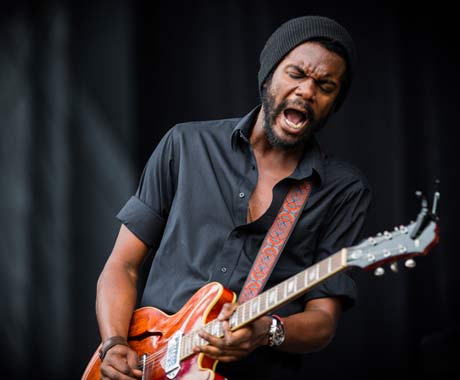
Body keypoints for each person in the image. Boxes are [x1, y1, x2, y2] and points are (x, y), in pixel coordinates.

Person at [95, 15, 371, 380]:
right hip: (150, 361)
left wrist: (267, 332)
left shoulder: (342, 189)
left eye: (325, 85)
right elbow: (123, 265)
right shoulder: (186, 145)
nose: (307, 91)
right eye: (296, 74)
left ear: (334, 103)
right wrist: (114, 343)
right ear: (268, 75)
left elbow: (323, 321)